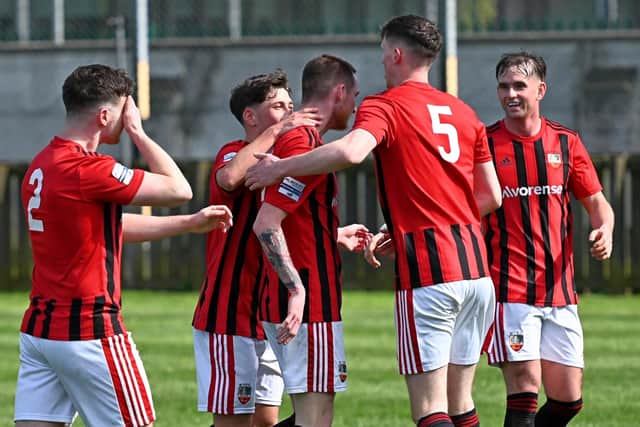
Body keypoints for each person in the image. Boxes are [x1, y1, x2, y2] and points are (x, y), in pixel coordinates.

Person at [246, 15, 502, 427]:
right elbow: (490, 196)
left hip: (429, 272)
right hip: (477, 273)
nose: (382, 65)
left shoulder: (385, 104)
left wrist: (280, 168)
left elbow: (350, 153)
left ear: (396, 54)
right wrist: (400, 225)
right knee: (462, 403)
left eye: (384, 56)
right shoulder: (463, 111)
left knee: (429, 409)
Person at [15, 64, 232, 427]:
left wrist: (189, 224)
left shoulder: (42, 164)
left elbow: (107, 227)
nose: (127, 118)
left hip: (40, 331)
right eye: (124, 111)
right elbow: (180, 189)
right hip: (88, 328)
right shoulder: (89, 169)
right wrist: (138, 132)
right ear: (105, 115)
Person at [483, 52, 614, 427]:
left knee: (568, 401)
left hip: (560, 292)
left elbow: (599, 204)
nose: (511, 93)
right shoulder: (485, 144)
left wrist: (604, 228)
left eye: (519, 86)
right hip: (509, 290)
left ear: (540, 90)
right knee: (524, 390)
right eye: (504, 86)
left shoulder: (566, 142)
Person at [192, 69, 320, 427]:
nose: (290, 113)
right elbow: (230, 179)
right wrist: (278, 130)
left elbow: (279, 223)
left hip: (267, 312)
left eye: (291, 105)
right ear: (250, 116)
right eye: (279, 106)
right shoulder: (233, 152)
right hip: (227, 312)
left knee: (267, 420)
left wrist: (336, 234)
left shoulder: (283, 162)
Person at [251, 54, 370, 427]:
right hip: (307, 303)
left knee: (316, 413)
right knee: (315, 417)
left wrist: (332, 235)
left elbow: (288, 219)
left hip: (304, 298)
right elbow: (266, 224)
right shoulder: (303, 144)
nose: (355, 106)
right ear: (338, 92)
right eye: (354, 96)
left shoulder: (301, 141)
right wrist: (298, 290)